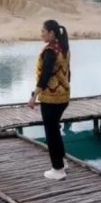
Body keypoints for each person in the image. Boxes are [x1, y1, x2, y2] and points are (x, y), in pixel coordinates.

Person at [28, 19, 71, 180]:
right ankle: (62, 162)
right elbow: (68, 72)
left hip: (51, 99)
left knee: (51, 133)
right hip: (64, 96)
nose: (41, 34)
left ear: (51, 33)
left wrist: (34, 96)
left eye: (43, 31)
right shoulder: (63, 47)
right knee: (55, 130)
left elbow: (44, 76)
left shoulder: (50, 51)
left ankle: (57, 170)